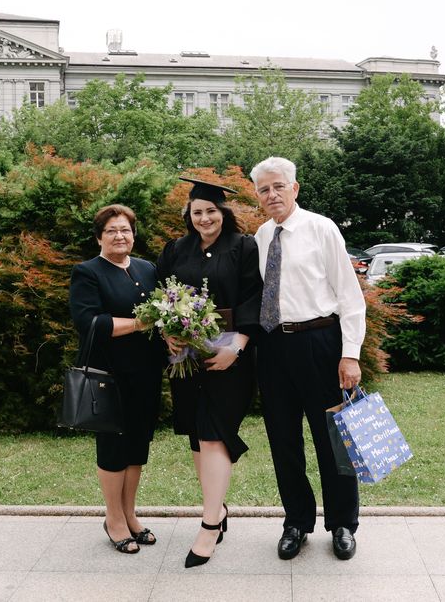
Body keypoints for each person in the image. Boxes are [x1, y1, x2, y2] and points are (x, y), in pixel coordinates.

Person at [250, 157, 366, 561]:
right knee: (283, 440)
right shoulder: (262, 235)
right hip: (274, 347)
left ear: (295, 188)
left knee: (333, 439)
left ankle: (343, 524)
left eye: (278, 186)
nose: (272, 195)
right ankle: (296, 522)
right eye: (264, 190)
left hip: (319, 342)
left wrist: (350, 355)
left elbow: (350, 296)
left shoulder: (321, 228)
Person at [155, 178, 262, 568]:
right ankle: (218, 508)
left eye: (211, 211)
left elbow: (255, 297)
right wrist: (165, 332)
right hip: (185, 355)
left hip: (229, 354)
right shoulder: (176, 249)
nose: (204, 218)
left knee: (214, 432)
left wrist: (238, 347)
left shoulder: (244, 247)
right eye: (197, 212)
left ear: (223, 212)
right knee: (197, 435)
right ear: (189, 215)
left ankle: (209, 524)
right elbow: (159, 294)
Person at [69, 204, 167, 555]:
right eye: (111, 230)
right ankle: (113, 519)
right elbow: (90, 323)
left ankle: (130, 514)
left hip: (146, 373)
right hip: (109, 376)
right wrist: (142, 322)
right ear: (99, 237)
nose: (119, 236)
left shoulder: (146, 268)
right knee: (113, 447)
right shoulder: (87, 272)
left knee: (138, 444)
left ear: (133, 235)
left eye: (125, 229)